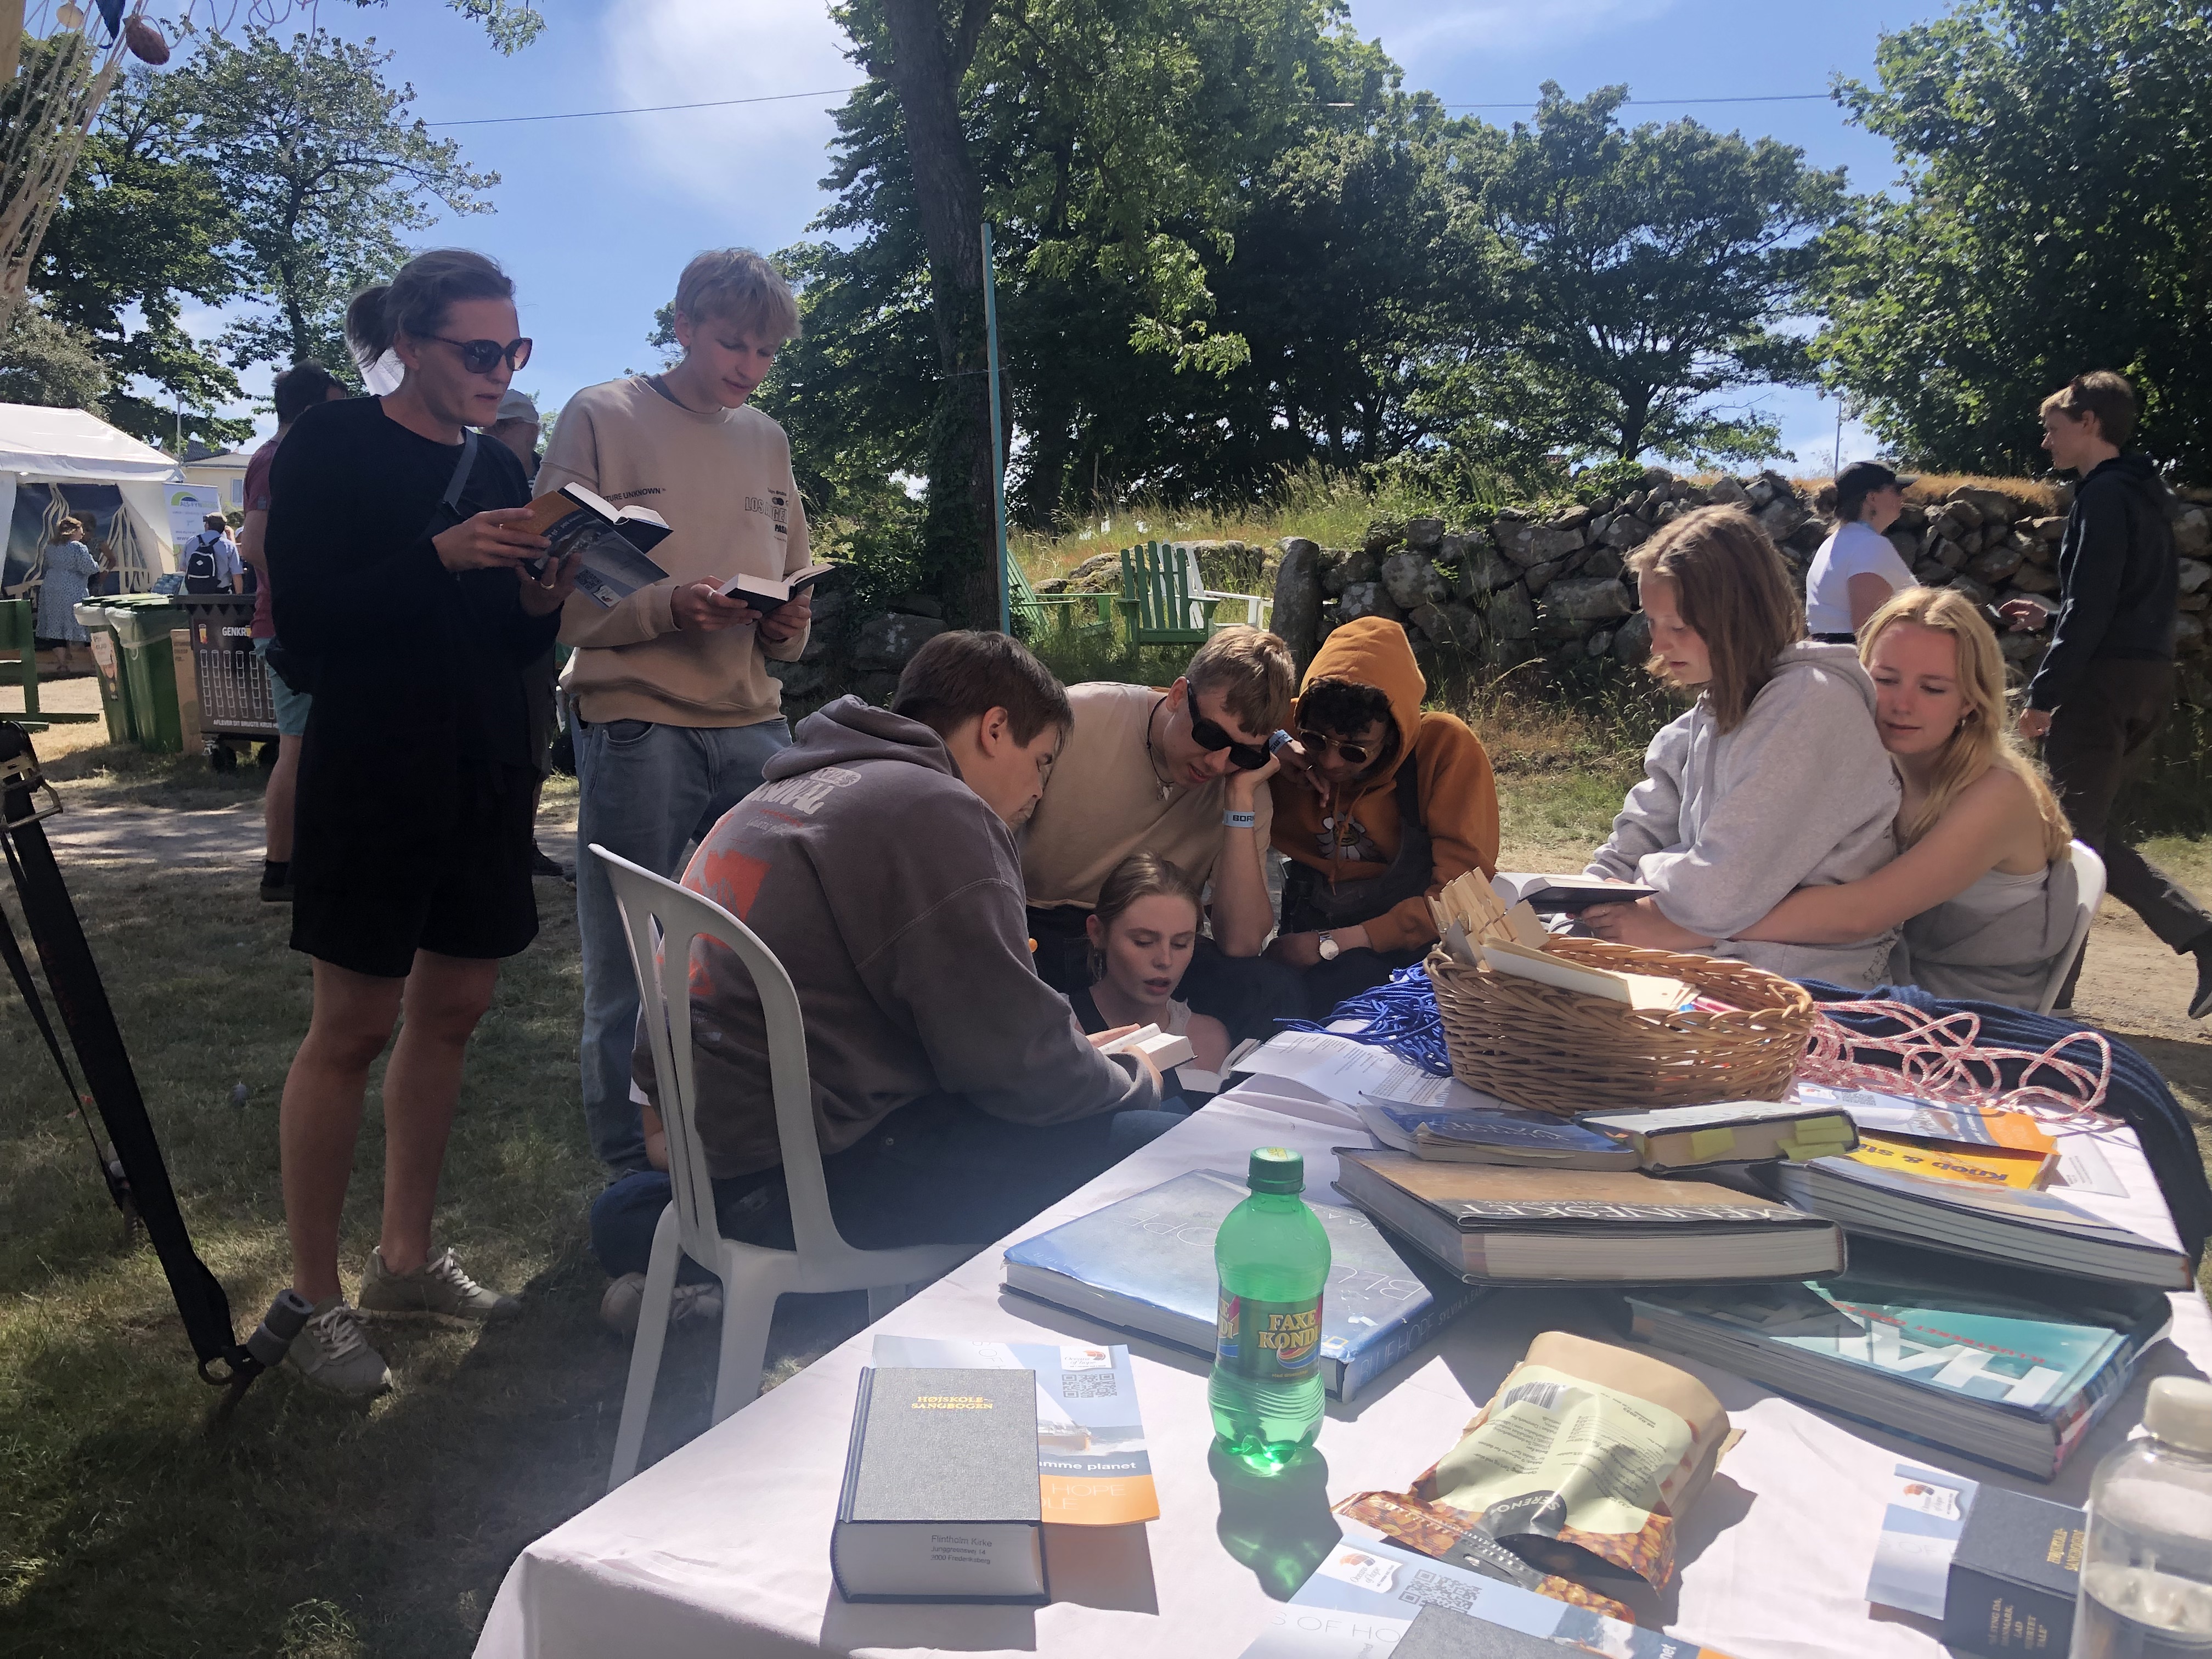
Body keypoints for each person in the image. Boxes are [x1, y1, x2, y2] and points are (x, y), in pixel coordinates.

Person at [589, 631, 1176, 1330]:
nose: (1039, 791)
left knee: (620, 1213)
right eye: (1041, 760)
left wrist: (1066, 1056)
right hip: (814, 1172)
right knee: (1157, 1144)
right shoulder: (937, 809)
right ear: (994, 729)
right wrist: (1132, 1076)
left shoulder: (788, 787)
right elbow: (1013, 1068)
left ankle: (746, 1299)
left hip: (712, 1156)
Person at [266, 249, 582, 1397]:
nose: (501, 371)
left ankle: (404, 1261)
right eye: (479, 350)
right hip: (372, 770)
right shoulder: (331, 443)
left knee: (454, 1010)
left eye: (515, 350)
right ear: (410, 344)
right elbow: (305, 626)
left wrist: (539, 601)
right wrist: (438, 555)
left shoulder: (498, 463)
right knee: (351, 1026)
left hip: (483, 769)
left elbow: (498, 640)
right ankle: (314, 1297)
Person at [540, 249, 815, 1174]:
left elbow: (793, 581)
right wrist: (669, 607)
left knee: (778, 945)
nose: (749, 366)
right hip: (636, 719)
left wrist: (788, 620)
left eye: (766, 351)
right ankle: (632, 1175)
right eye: (733, 343)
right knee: (629, 960)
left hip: (753, 719)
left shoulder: (766, 437)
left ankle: (755, 1145)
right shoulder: (601, 414)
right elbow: (556, 586)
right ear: (684, 324)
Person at [1642, 588, 2078, 1007]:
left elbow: (1860, 914)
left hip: (1970, 1005)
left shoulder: (1997, 795)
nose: (1902, 704)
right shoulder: (1871, 762)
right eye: (1885, 680)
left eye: (1933, 689)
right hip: (1877, 970)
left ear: (1969, 700)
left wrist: (1693, 927)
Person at [1579, 505, 1901, 985]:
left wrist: (1640, 895)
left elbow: (1718, 888)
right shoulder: (1705, 716)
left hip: (1807, 983)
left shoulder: (1811, 706)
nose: (1658, 646)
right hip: (1719, 957)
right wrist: (1580, 899)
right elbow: (1640, 832)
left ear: (1737, 616)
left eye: (1678, 627)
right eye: (1652, 623)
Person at [1999, 370, 2212, 1018]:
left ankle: (2056, 1000)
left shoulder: (2102, 495)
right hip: (2147, 679)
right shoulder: (2147, 495)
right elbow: (2120, 602)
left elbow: (2093, 606)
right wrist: (2052, 618)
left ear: (2089, 422)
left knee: (2069, 842)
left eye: (2054, 428)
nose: (2046, 441)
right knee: (2084, 833)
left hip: (2100, 688)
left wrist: (2044, 693)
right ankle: (2064, 992)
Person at [1022, 624, 1302, 1040]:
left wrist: (1240, 799)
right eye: (1211, 736)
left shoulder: (1242, 787)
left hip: (1159, 943)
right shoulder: (1079, 718)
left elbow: (1242, 942)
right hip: (1037, 927)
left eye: (1244, 753)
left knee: (1271, 990)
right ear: (1177, 695)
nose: (1217, 763)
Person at [1265, 616, 1501, 1011]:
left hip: (1410, 946)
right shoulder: (1281, 727)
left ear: (1395, 735)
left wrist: (1333, 944)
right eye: (1316, 740)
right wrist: (1274, 740)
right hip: (1306, 927)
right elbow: (1188, 704)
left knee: (1344, 989)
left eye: (1355, 750)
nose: (1331, 762)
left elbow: (1464, 900)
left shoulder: (1443, 749)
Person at [238, 362, 348, 904]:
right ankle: (280, 869)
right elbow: (254, 543)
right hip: (289, 628)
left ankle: (303, 863)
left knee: (313, 746)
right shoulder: (275, 459)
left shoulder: (297, 458)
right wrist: (313, 596)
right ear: (308, 412)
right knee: (299, 747)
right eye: (337, 412)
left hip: (299, 624)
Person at [481, 385, 567, 883]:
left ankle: (520, 841)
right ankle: (506, 843)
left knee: (533, 738)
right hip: (488, 630)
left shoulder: (546, 481)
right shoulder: (475, 470)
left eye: (505, 427)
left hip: (534, 626)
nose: (495, 434)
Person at [1066, 853, 1232, 1092]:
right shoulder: (1053, 1030)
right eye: (1143, 942)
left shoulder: (1208, 1040)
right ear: (1098, 933)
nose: (1165, 960)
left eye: (1181, 944)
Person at [1805, 460, 1920, 642]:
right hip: (1856, 657)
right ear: (1872, 497)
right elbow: (1867, 630)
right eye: (1897, 490)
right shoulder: (1870, 545)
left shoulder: (1830, 545)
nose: (1903, 497)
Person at [32, 516, 99, 676]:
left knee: (56, 625)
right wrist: (96, 565)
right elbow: (89, 568)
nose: (83, 534)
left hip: (51, 588)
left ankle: (62, 665)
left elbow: (48, 565)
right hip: (73, 588)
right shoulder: (78, 547)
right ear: (74, 531)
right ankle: (94, 665)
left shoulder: (51, 546)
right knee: (83, 622)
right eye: (81, 530)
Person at [181, 510, 244, 595]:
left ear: (207, 525)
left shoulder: (191, 541)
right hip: (220, 595)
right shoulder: (229, 546)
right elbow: (237, 575)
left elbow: (183, 568)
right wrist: (239, 596)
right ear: (223, 528)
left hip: (194, 593)